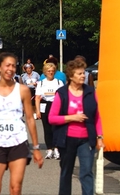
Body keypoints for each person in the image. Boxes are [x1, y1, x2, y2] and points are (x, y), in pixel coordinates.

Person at [0, 52, 44, 195]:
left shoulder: (22, 90)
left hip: (18, 142)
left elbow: (29, 118)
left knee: (15, 188)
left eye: (13, 66)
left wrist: (36, 148)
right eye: (7, 65)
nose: (10, 69)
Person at [49, 59, 104, 195]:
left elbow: (97, 117)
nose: (83, 76)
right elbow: (52, 118)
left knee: (86, 172)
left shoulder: (90, 92)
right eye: (79, 73)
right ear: (71, 76)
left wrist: (100, 137)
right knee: (66, 173)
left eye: (83, 73)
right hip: (66, 139)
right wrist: (72, 118)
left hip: (86, 139)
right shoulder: (61, 93)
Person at [35, 62, 64, 159]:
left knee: (55, 128)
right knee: (47, 129)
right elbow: (37, 97)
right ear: (45, 72)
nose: (50, 73)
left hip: (56, 106)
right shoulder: (41, 83)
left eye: (52, 71)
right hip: (45, 105)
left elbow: (63, 97)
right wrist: (37, 111)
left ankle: (56, 148)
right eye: (48, 71)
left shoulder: (59, 82)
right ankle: (49, 149)